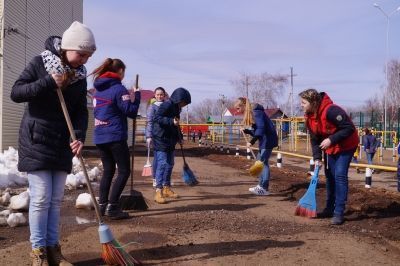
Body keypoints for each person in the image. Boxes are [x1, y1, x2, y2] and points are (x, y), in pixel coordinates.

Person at [11, 21, 96, 266]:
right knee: (40, 198)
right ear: (68, 48)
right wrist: (48, 82)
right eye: (81, 54)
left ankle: (53, 249)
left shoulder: (79, 78)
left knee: (56, 199)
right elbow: (16, 92)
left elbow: (81, 111)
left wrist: (78, 135)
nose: (84, 60)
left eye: (88, 56)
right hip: (36, 138)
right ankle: (38, 251)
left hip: (61, 142)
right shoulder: (41, 63)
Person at [299, 88, 358, 225]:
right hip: (330, 147)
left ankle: (339, 212)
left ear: (313, 102)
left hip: (347, 145)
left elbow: (349, 128)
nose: (301, 105)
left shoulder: (331, 111)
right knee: (330, 176)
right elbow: (314, 139)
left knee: (340, 175)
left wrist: (331, 139)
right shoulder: (309, 118)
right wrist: (317, 158)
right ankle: (329, 208)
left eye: (303, 102)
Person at [92, 58, 141, 219]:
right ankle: (113, 207)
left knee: (108, 171)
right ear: (119, 71)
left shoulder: (97, 91)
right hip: (115, 136)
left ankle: (102, 206)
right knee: (124, 171)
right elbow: (131, 112)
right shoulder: (119, 89)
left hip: (100, 137)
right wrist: (137, 96)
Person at [152, 87, 191, 204]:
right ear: (179, 99)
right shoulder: (167, 105)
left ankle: (166, 188)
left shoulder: (177, 108)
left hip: (170, 139)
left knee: (170, 164)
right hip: (160, 138)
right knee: (163, 164)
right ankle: (158, 191)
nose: (184, 105)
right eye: (184, 102)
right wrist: (170, 121)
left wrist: (179, 137)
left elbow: (176, 124)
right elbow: (157, 118)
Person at [235, 97, 278, 196]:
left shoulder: (256, 111)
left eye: (238, 108)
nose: (237, 111)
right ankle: (260, 186)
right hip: (264, 139)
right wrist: (246, 131)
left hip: (268, 139)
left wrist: (252, 141)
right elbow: (257, 130)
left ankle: (264, 188)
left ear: (243, 106)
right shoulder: (253, 113)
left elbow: (261, 128)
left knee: (262, 162)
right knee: (260, 161)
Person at [145, 87, 167, 187]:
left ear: (164, 95)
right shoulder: (152, 107)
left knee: (165, 160)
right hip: (156, 136)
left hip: (166, 136)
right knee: (158, 159)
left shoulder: (167, 106)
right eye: (157, 94)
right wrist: (149, 136)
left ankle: (162, 179)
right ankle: (155, 179)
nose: (159, 96)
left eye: (161, 94)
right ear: (155, 95)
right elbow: (149, 122)